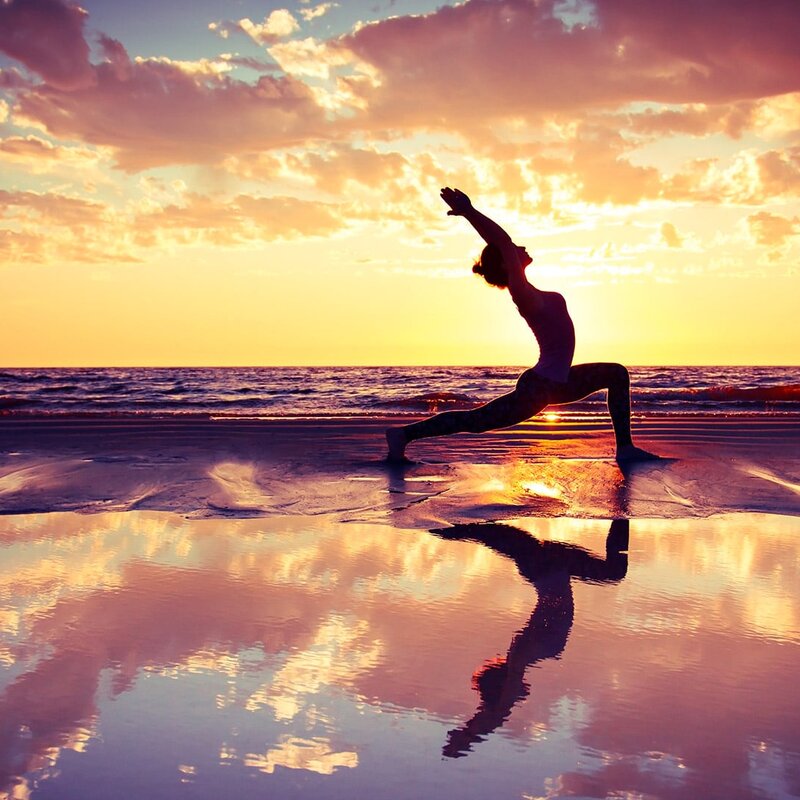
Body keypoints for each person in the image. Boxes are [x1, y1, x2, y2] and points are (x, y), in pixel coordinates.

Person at [386, 187, 659, 463]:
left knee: (616, 374)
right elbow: (503, 241)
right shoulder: (524, 296)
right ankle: (403, 435)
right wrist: (469, 212)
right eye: (515, 250)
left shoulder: (532, 291)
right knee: (478, 421)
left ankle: (625, 449)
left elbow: (505, 245)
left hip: (556, 382)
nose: (521, 247)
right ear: (507, 265)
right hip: (539, 387)